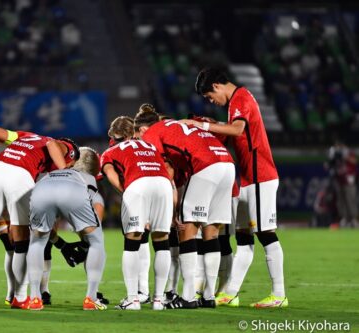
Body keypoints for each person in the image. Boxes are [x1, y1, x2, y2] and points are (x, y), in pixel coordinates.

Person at [189, 68, 287, 308]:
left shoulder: (240, 98)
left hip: (260, 176)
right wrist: (213, 124)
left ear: (217, 86)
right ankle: (231, 292)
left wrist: (203, 127)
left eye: (210, 97)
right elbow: (233, 129)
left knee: (265, 233)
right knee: (243, 238)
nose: (213, 101)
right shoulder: (236, 102)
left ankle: (279, 294)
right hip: (248, 178)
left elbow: (237, 130)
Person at [0, 127, 79, 310]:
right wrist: (66, 171)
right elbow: (52, 144)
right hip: (20, 176)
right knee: (21, 241)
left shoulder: (25, 136)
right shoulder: (64, 147)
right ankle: (20, 296)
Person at [134, 105, 235, 309]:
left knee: (188, 227)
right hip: (227, 164)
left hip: (205, 166)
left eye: (137, 137)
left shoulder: (151, 134)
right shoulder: (175, 126)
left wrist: (167, 209)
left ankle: (188, 296)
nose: (138, 142)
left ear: (143, 130)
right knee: (211, 231)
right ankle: (208, 296)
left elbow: (163, 171)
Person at [101, 116, 174, 311]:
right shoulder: (150, 146)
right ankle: (158, 301)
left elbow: (110, 174)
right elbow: (167, 167)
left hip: (137, 185)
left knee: (132, 240)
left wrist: (126, 192)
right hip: (164, 184)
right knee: (161, 240)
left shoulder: (111, 151)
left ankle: (133, 300)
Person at [27, 147, 107, 310]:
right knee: (96, 241)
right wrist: (86, 245)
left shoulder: (54, 171)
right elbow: (96, 211)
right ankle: (91, 298)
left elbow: (50, 228)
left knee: (36, 242)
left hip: (41, 189)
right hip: (72, 191)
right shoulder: (88, 177)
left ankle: (35, 297)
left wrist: (61, 244)